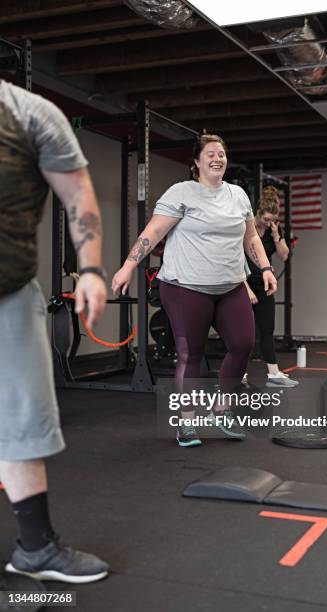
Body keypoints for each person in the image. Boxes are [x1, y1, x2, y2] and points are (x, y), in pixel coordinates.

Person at [0, 79, 109, 582]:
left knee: (22, 425)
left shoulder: (31, 113)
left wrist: (90, 270)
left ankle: (36, 547)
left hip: (9, 291)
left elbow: (78, 195)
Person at [112, 134, 277, 447]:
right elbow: (153, 232)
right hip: (186, 287)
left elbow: (251, 238)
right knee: (191, 354)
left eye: (222, 154)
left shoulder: (238, 195)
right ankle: (187, 423)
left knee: (243, 345)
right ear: (197, 162)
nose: (217, 159)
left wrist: (266, 268)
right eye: (210, 154)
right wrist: (129, 265)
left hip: (230, 285)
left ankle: (221, 409)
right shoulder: (182, 192)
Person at [243, 186, 298, 387]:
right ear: (257, 213)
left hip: (264, 285)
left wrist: (276, 236)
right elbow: (234, 259)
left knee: (267, 328)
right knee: (243, 332)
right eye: (265, 219)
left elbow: (284, 256)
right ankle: (238, 374)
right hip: (244, 283)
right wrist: (246, 289)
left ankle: (274, 374)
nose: (268, 223)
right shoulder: (245, 227)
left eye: (272, 220)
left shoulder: (274, 228)